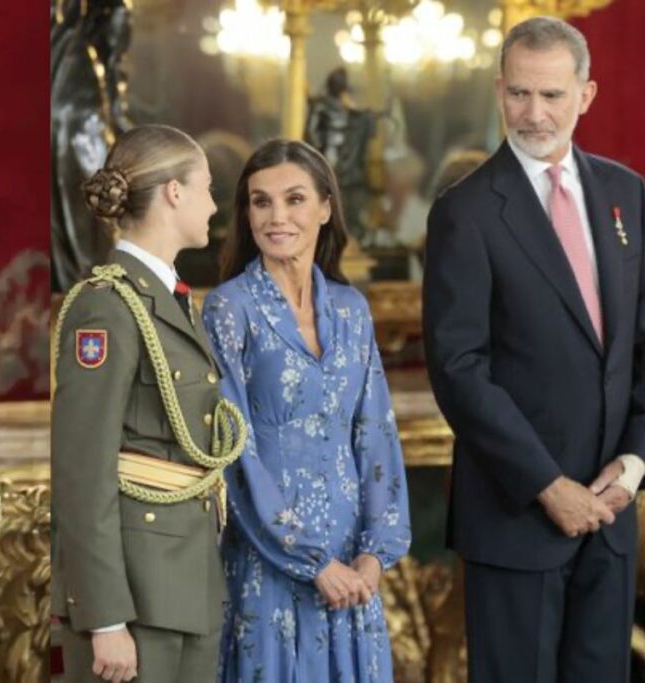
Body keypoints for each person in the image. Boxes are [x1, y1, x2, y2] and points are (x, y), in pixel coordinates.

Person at [423, 16, 643, 682]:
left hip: (610, 519)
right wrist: (549, 487)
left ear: (587, 94)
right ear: (498, 91)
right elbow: (459, 369)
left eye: (551, 95)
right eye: (519, 93)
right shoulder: (465, 211)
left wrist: (634, 461)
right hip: (518, 520)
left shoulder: (627, 194)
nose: (534, 113)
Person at [201, 139, 411, 682]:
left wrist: (374, 555)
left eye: (294, 200)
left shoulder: (350, 308)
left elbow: (376, 434)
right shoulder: (230, 308)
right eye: (260, 202)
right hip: (270, 559)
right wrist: (311, 560)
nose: (276, 217)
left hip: (353, 561)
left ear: (324, 208)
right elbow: (233, 449)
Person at [51, 124, 246, 683]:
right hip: (133, 598)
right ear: (174, 192)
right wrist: (105, 615)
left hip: (185, 585)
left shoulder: (171, 300)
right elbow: (82, 470)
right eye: (206, 187)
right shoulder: (107, 307)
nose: (214, 204)